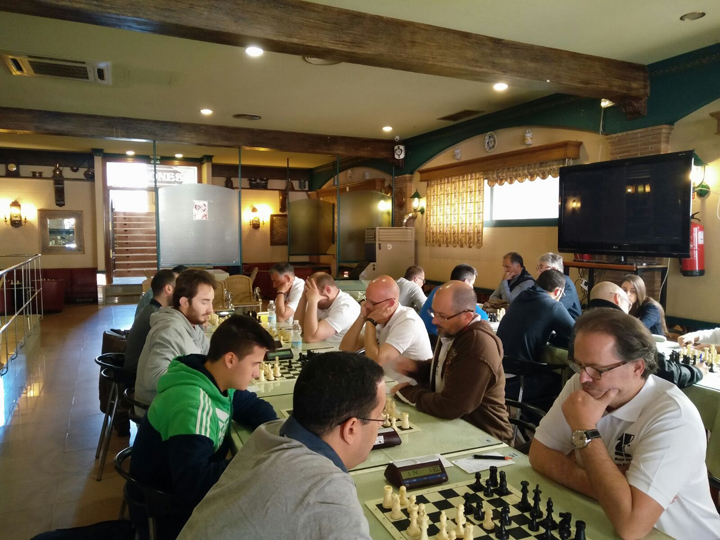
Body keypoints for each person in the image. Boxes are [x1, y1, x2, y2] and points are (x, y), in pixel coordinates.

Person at [528, 309, 720, 540]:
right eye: (578, 365)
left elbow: (631, 526)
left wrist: (585, 430)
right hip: (603, 520)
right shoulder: (583, 386)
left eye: (598, 369)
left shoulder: (674, 418)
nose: (583, 378)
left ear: (637, 367)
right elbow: (539, 454)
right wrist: (614, 489)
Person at [178, 352, 384, 540]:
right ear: (351, 428)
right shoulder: (327, 489)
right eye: (379, 417)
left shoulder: (269, 432)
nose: (382, 423)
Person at [130, 315, 278, 540]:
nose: (257, 373)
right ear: (230, 359)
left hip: (185, 488)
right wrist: (256, 459)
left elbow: (256, 407)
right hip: (165, 510)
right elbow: (194, 486)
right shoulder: (192, 405)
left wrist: (276, 434)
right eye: (255, 364)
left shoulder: (214, 378)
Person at [392, 281, 513, 444]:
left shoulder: (477, 344)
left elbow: (451, 406)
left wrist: (408, 392)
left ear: (467, 317)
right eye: (433, 313)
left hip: (486, 438)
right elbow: (448, 369)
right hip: (455, 427)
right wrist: (416, 368)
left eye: (442, 316)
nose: (434, 321)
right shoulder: (452, 330)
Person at [588, 282, 704, 388]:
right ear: (617, 298)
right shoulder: (627, 330)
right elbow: (667, 373)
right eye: (628, 305)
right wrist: (697, 371)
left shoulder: (583, 325)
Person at [135, 269, 215, 409]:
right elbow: (154, 378)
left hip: (183, 401)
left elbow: (209, 359)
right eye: (204, 302)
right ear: (185, 302)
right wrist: (202, 377)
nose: (210, 310)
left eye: (211, 302)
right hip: (160, 410)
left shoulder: (194, 327)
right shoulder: (169, 330)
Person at [340, 275, 432, 381]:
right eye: (366, 299)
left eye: (372, 303)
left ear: (391, 303)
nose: (367, 306)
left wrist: (370, 322)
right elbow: (346, 348)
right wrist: (362, 316)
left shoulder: (408, 321)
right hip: (388, 382)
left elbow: (376, 361)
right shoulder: (379, 316)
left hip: (410, 388)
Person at [496, 269, 575, 363]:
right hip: (523, 367)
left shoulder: (521, 296)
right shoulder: (553, 306)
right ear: (558, 291)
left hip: (499, 362)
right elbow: (577, 334)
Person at [420, 264, 488, 349]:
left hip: (423, 337)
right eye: (472, 284)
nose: (472, 287)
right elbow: (483, 318)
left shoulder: (439, 289)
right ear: (466, 282)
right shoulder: (458, 295)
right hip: (436, 341)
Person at [124, 269, 177, 371]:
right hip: (137, 372)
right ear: (168, 288)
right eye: (178, 288)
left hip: (139, 366)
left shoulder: (151, 309)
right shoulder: (155, 315)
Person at [294, 272, 361, 343]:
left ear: (328, 290)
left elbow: (310, 338)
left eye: (312, 294)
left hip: (339, 349)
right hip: (323, 347)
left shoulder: (346, 308)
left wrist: (313, 301)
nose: (309, 297)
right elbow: (299, 328)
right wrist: (304, 297)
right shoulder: (319, 300)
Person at [536, 253, 582, 319]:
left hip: (569, 323)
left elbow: (556, 309)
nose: (538, 272)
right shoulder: (540, 282)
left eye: (541, 268)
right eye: (538, 267)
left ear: (554, 270)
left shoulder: (566, 284)